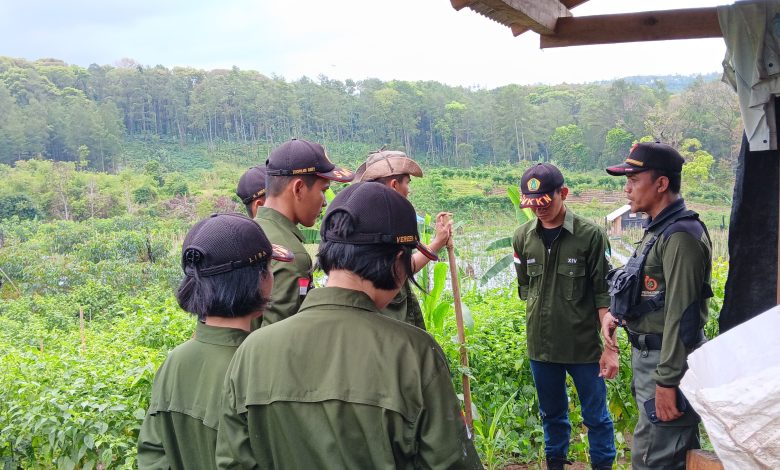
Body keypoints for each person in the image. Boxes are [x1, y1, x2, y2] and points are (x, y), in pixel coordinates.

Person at [216, 182, 483, 469]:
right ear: (397, 262)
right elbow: (449, 462)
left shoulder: (252, 351)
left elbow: (234, 461)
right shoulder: (414, 353)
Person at [137, 213, 293, 470]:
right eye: (268, 268)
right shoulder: (261, 369)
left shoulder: (175, 361)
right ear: (258, 280)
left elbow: (152, 455)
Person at [602, 142, 712, 470]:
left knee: (653, 459)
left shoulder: (680, 236)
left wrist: (667, 382)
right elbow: (648, 290)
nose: (627, 188)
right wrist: (616, 313)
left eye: (634, 180)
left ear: (661, 184)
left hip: (666, 363)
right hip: (651, 360)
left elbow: (684, 315)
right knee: (667, 453)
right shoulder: (657, 229)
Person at [511, 163, 617, 470]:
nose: (539, 211)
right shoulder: (522, 238)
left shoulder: (590, 236)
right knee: (552, 417)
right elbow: (525, 288)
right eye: (533, 206)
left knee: (596, 418)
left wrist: (610, 348)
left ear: (564, 194)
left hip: (584, 349)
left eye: (546, 203)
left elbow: (603, 295)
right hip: (541, 348)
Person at [256, 138, 354, 328]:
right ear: (299, 188)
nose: (325, 202)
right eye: (323, 190)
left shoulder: (247, 233)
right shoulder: (290, 255)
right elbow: (279, 339)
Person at [354, 149, 452, 329]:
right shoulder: (381, 227)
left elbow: (399, 269)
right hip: (388, 329)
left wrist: (437, 243)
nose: (409, 190)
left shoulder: (362, 218)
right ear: (393, 185)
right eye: (407, 183)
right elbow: (396, 272)